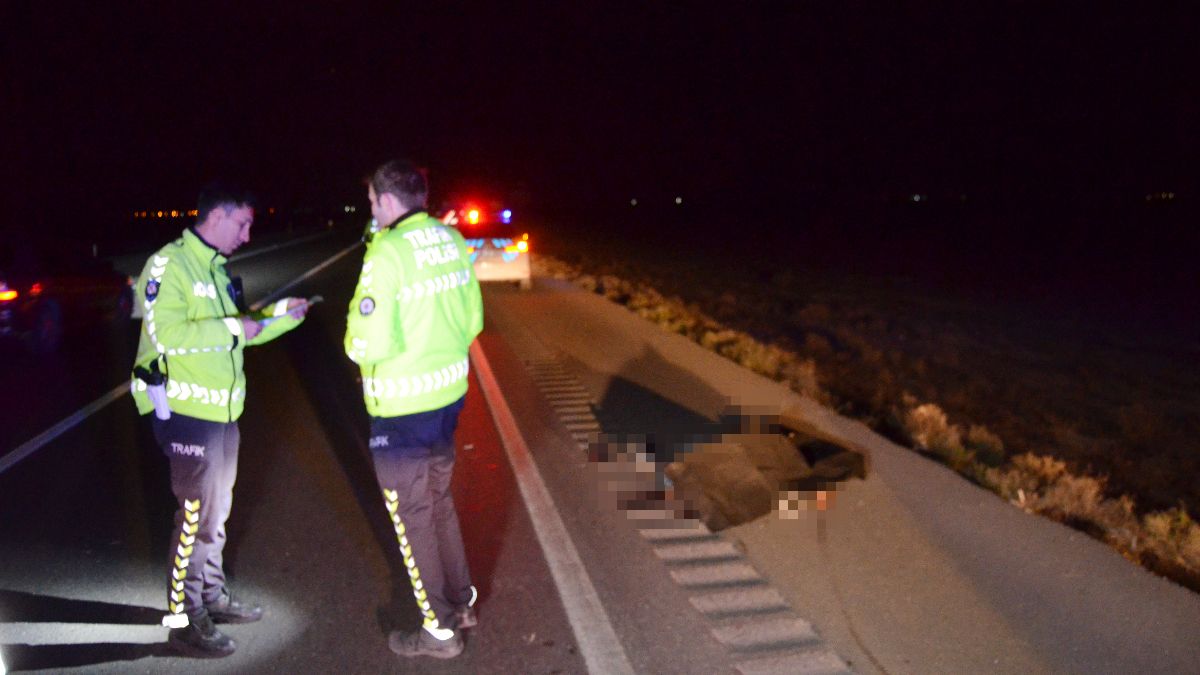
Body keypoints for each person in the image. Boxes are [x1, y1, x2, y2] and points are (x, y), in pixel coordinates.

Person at [129, 183, 309, 658]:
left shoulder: (215, 268)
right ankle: (184, 617)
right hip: (188, 413)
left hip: (222, 412)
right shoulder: (170, 264)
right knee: (194, 518)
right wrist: (234, 327)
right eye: (244, 223)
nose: (248, 235)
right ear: (217, 216)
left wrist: (279, 317)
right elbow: (164, 332)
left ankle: (211, 596)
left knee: (215, 515)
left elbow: (234, 334)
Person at [344, 159, 483, 660]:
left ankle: (440, 632)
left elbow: (367, 342)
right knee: (439, 502)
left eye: (371, 202)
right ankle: (462, 602)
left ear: (383, 200)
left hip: (401, 409)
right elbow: (472, 319)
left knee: (412, 518)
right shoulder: (449, 241)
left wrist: (355, 346)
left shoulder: (387, 254)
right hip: (445, 400)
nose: (370, 210)